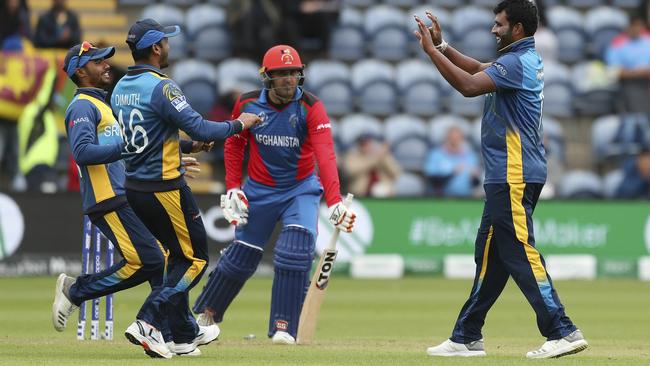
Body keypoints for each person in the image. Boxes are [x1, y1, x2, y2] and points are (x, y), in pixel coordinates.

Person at [413, 0, 588, 358]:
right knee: (491, 256)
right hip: (507, 173)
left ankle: (563, 330)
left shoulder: (515, 62)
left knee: (519, 250)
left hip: (514, 173)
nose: (493, 29)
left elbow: (468, 85)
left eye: (499, 24)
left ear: (517, 29)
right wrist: (444, 47)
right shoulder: (520, 59)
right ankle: (466, 335)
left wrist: (431, 52)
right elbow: (478, 68)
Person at [110, 18, 260, 356]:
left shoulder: (120, 87)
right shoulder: (162, 87)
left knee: (175, 259)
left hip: (135, 187)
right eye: (166, 41)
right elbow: (202, 127)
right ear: (156, 48)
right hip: (164, 189)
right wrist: (240, 124)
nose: (169, 47)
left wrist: (189, 148)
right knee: (194, 259)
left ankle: (181, 335)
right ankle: (148, 321)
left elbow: (147, 137)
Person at [192, 45, 356, 345]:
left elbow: (326, 154)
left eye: (294, 73)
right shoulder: (248, 103)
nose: (289, 79)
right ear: (267, 77)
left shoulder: (310, 106)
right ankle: (203, 317)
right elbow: (233, 144)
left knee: (293, 254)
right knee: (239, 260)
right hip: (259, 188)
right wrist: (232, 187)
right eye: (281, 74)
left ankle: (285, 328)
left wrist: (333, 201)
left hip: (301, 190)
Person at [52, 41, 203, 359]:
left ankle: (178, 333)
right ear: (81, 72)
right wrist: (125, 150)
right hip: (107, 198)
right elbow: (82, 152)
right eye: (98, 62)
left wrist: (186, 148)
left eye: (105, 60)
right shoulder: (82, 106)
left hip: (125, 195)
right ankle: (76, 290)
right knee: (149, 260)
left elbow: (138, 138)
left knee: (161, 260)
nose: (107, 65)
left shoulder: (104, 105)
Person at [604, 15, 650, 116]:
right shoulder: (618, 43)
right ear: (628, 27)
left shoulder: (648, 40)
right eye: (634, 26)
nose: (637, 29)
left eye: (640, 26)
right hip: (630, 84)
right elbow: (613, 71)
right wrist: (636, 73)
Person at [424, 126, 480, 197]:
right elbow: (432, 179)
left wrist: (474, 178)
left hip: (466, 198)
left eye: (457, 138)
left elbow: (476, 183)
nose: (454, 141)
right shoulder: (436, 155)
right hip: (441, 199)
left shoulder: (470, 156)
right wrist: (452, 173)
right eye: (452, 138)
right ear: (446, 138)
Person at [343, 133, 401, 197]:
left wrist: (385, 157)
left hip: (382, 192)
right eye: (363, 144)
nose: (365, 146)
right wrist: (375, 158)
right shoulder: (352, 155)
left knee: (380, 190)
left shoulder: (383, 155)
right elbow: (350, 171)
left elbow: (396, 173)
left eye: (368, 143)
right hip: (359, 192)